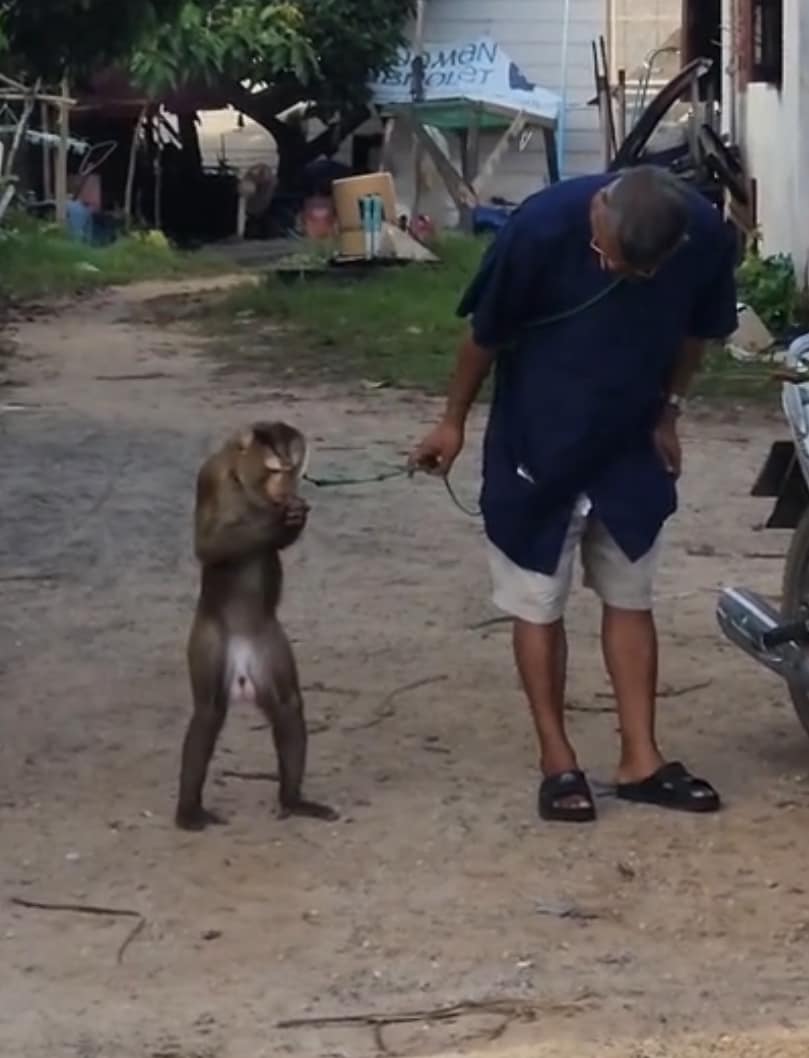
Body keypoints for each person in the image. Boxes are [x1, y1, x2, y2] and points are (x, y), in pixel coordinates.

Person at [410, 165, 738, 823]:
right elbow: (484, 334)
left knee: (630, 594)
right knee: (537, 601)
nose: (608, 269)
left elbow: (695, 331)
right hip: (539, 436)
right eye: (604, 256)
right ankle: (557, 760)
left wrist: (668, 412)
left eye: (630, 271)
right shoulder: (538, 228)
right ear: (597, 210)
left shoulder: (703, 236)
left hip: (627, 440)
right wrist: (452, 420)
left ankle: (639, 758)